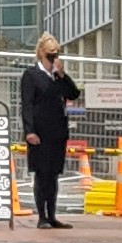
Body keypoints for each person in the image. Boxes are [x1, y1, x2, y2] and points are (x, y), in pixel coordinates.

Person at [20, 35, 84, 229]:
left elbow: (73, 93)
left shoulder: (58, 77)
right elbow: (27, 105)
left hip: (57, 132)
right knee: (42, 174)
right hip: (40, 133)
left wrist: (62, 75)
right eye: (50, 54)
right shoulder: (31, 75)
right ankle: (42, 216)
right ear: (41, 53)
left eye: (56, 54)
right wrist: (29, 131)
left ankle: (52, 215)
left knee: (54, 175)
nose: (54, 57)